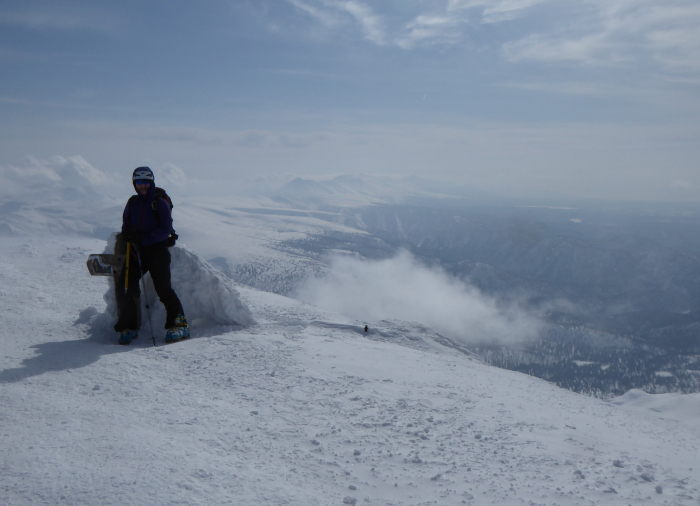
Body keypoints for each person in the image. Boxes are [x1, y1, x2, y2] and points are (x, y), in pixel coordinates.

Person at [113, 167, 189, 345]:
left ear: (152, 182)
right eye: (139, 182)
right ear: (134, 184)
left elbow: (165, 229)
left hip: (157, 251)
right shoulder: (132, 203)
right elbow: (126, 222)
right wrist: (128, 235)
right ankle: (129, 326)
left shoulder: (159, 203)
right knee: (127, 285)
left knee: (163, 289)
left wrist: (144, 240)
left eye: (146, 182)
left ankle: (179, 324)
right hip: (136, 251)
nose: (143, 186)